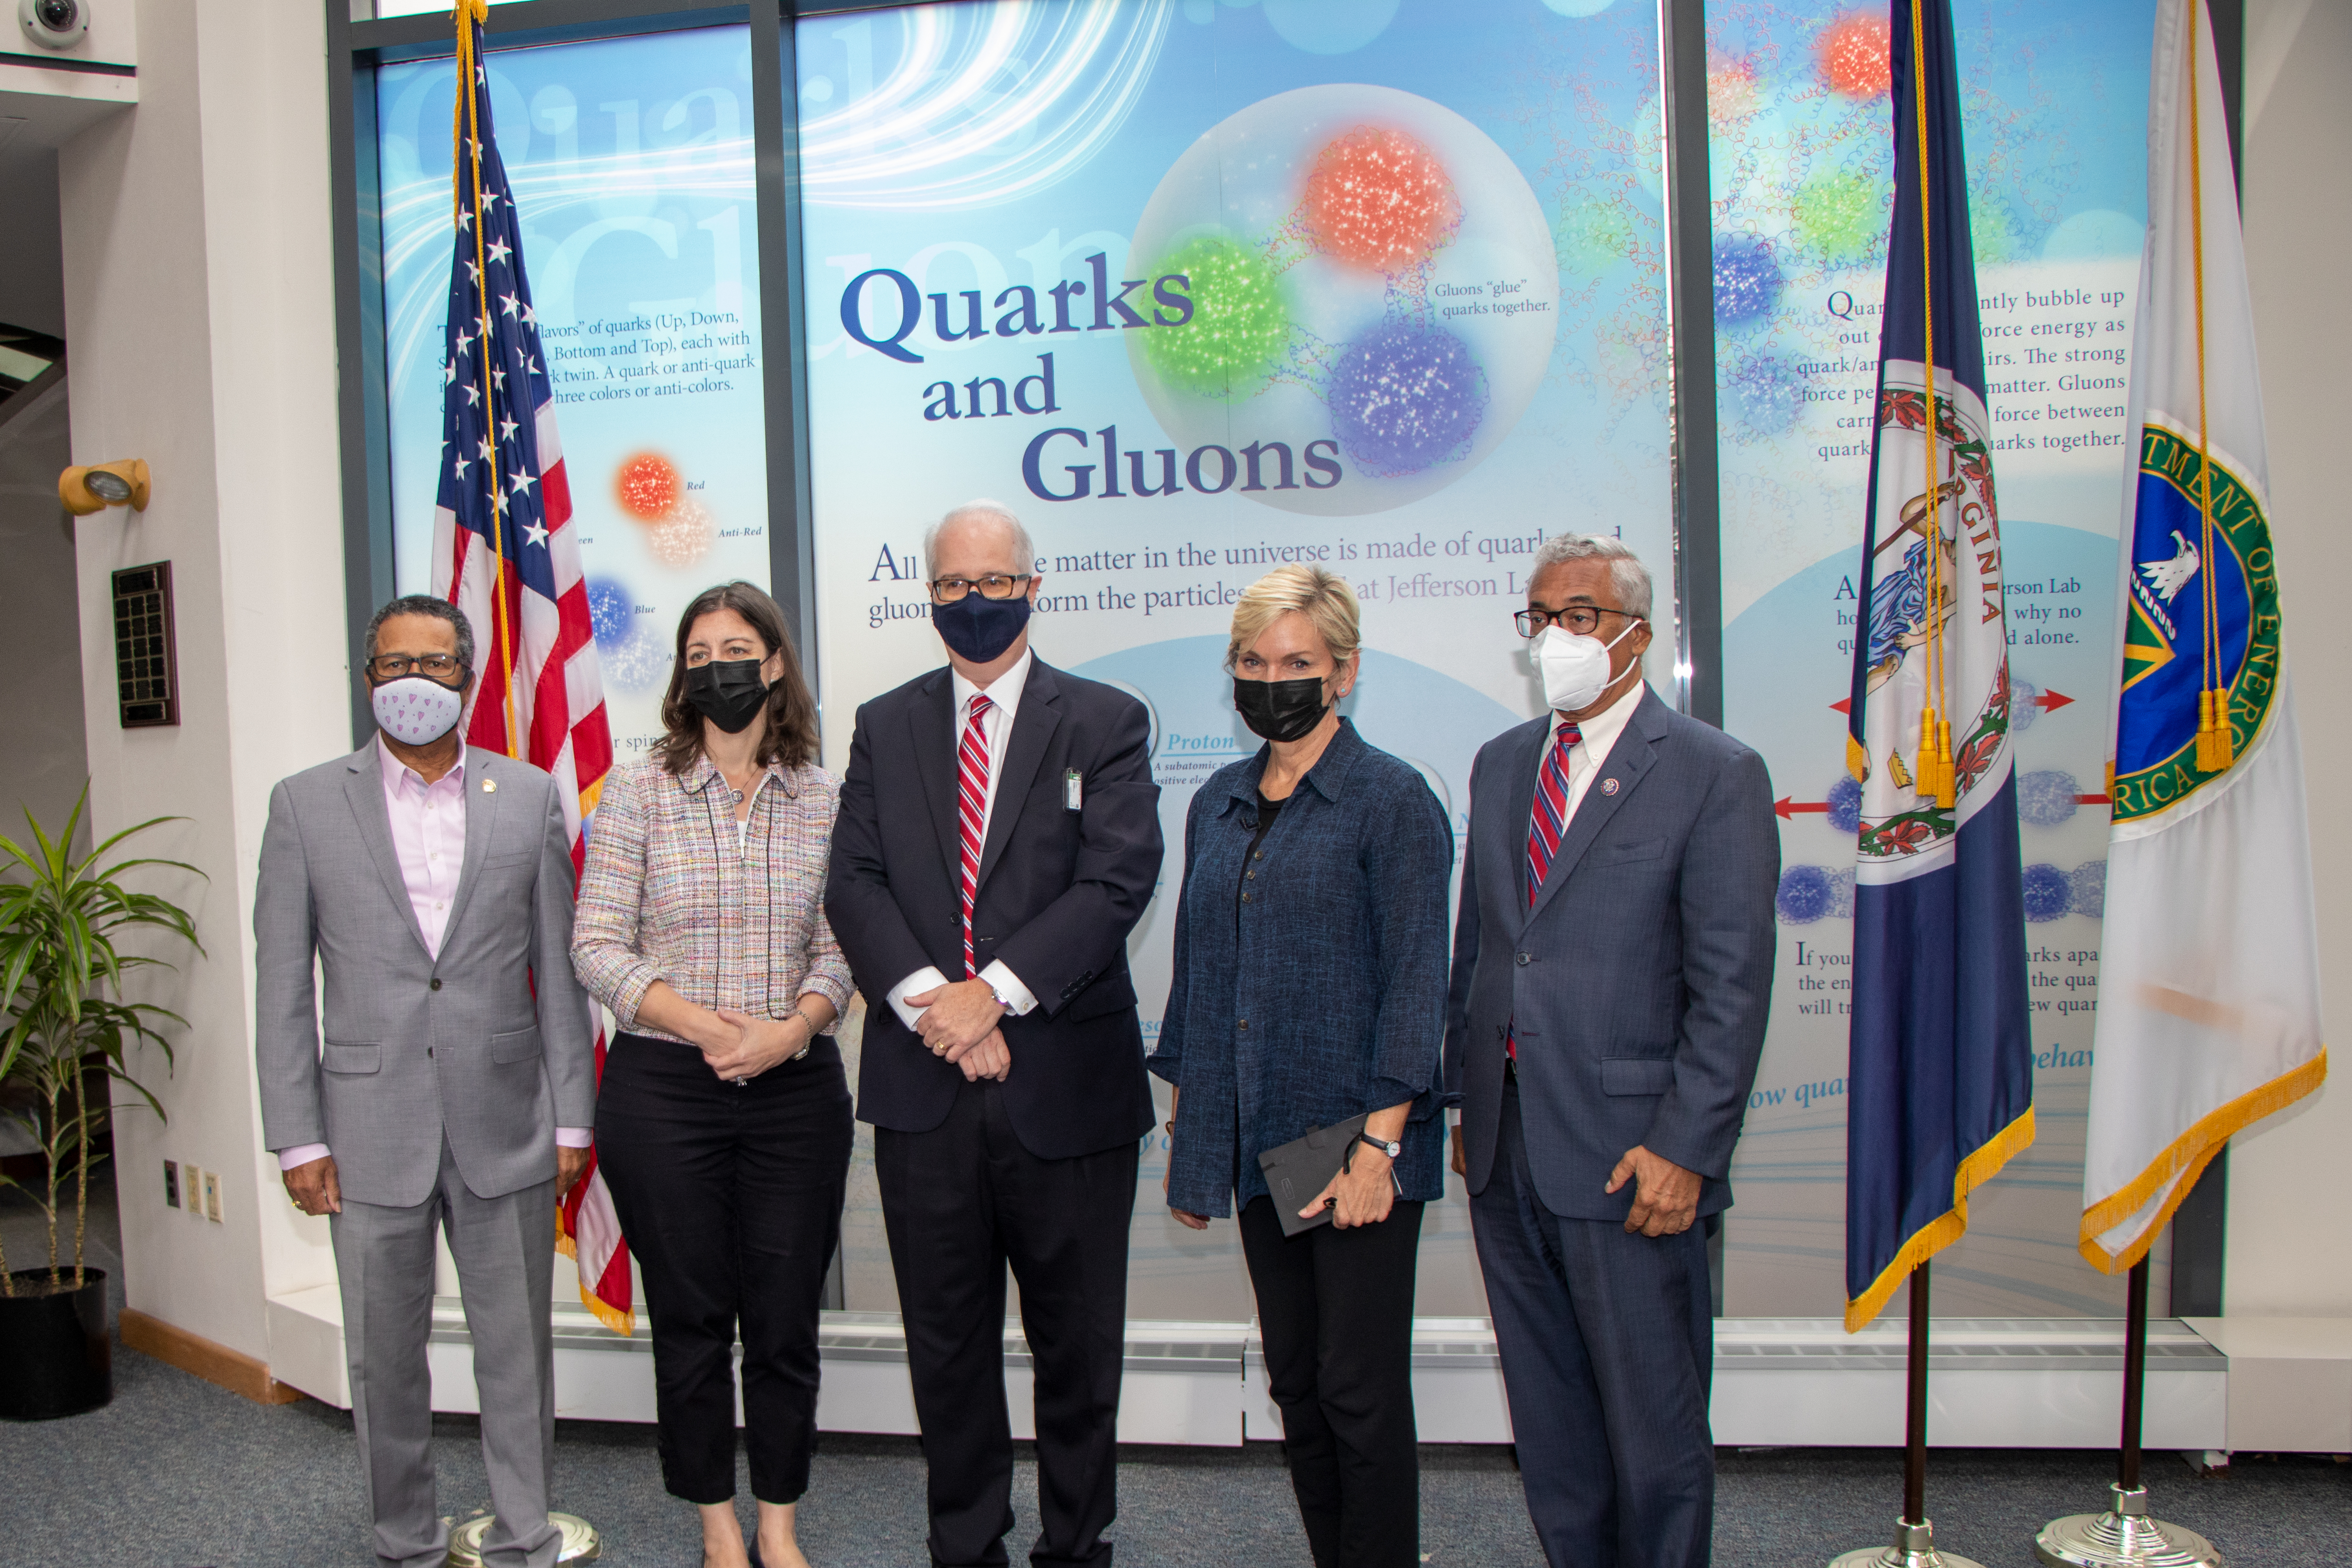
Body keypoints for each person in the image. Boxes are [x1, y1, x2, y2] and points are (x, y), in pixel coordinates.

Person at [824, 500, 1162, 1568]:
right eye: (951, 586)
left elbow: (1116, 880)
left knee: (1076, 1348)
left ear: (1031, 584)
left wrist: (998, 993)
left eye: (994, 583)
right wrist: (941, 1004)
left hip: (1064, 1090)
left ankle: (1074, 1549)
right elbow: (855, 881)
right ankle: (964, 1547)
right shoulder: (885, 723)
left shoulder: (1103, 720)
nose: (974, 603)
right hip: (927, 1092)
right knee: (947, 1346)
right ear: (927, 595)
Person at [1444, 533, 1777, 1568]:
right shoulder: (1503, 765)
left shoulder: (1713, 772)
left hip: (1635, 1159)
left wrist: (1686, 1146)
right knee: (1552, 1429)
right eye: (1539, 616)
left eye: (1578, 615)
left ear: (1635, 630)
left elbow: (1730, 987)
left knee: (1654, 1435)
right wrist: (1466, 1105)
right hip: (1509, 1153)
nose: (1555, 636)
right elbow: (1484, 950)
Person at [255, 595, 594, 1568]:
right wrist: (298, 1136)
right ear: (369, 678)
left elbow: (559, 973)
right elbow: (282, 982)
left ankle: (524, 1530)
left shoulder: (527, 795)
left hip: (509, 1123)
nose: (415, 682)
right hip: (363, 1132)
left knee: (516, 1350)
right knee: (385, 1359)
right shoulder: (305, 803)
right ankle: (402, 1539)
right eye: (394, 664)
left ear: (468, 675)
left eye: (436, 664)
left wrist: (573, 1115)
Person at [1150, 567, 1452, 1568]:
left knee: (1358, 1389)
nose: (1270, 679)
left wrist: (1380, 1145)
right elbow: (1201, 979)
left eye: (1295, 663)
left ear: (1344, 672)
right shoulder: (1219, 800)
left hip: (1354, 1134)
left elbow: (1417, 981)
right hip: (1256, 1135)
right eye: (1252, 661)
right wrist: (1195, 1142)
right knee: (1296, 1385)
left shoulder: (1390, 798)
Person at [571, 582, 854, 1568]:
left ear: (774, 663)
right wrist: (703, 1027)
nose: (717, 666)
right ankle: (716, 1526)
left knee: (783, 1321)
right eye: (698, 653)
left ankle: (778, 1520)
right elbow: (596, 945)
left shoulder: (823, 796)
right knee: (690, 1319)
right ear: (682, 676)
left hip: (794, 1090)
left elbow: (841, 947)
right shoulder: (635, 787)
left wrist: (790, 1030)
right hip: (664, 1094)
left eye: (737, 647)